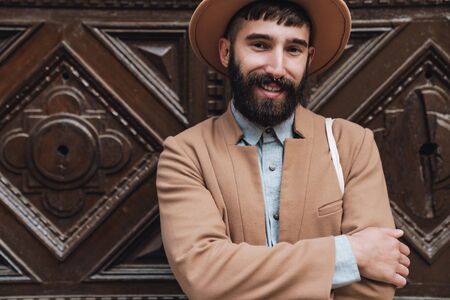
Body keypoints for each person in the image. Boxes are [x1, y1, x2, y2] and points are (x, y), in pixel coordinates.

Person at [156, 0, 411, 299]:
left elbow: (376, 285)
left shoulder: (352, 144)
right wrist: (348, 254)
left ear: (308, 58)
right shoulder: (186, 154)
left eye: (293, 49)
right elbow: (204, 276)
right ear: (226, 52)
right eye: (260, 45)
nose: (277, 68)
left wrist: (242, 278)